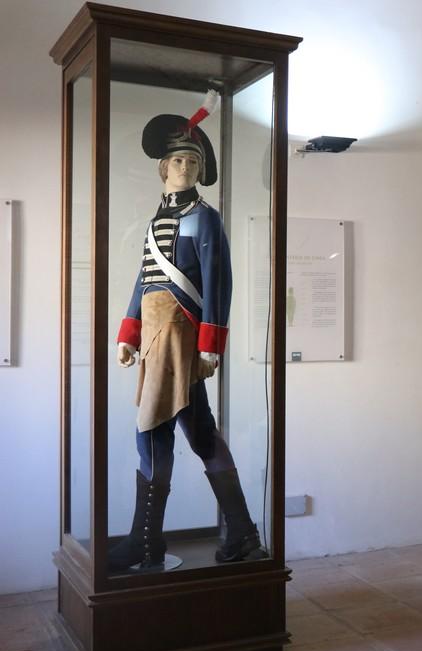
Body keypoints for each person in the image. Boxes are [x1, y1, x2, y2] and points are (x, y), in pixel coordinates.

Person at [110, 92, 266, 571]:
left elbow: (219, 283)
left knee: (154, 432)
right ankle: (240, 533)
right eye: (179, 160)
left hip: (182, 337)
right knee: (197, 433)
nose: (186, 167)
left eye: (193, 161)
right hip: (155, 338)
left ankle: (146, 542)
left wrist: (210, 348)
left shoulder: (205, 218)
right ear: (163, 167)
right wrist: (128, 333)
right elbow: (145, 280)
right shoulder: (157, 220)